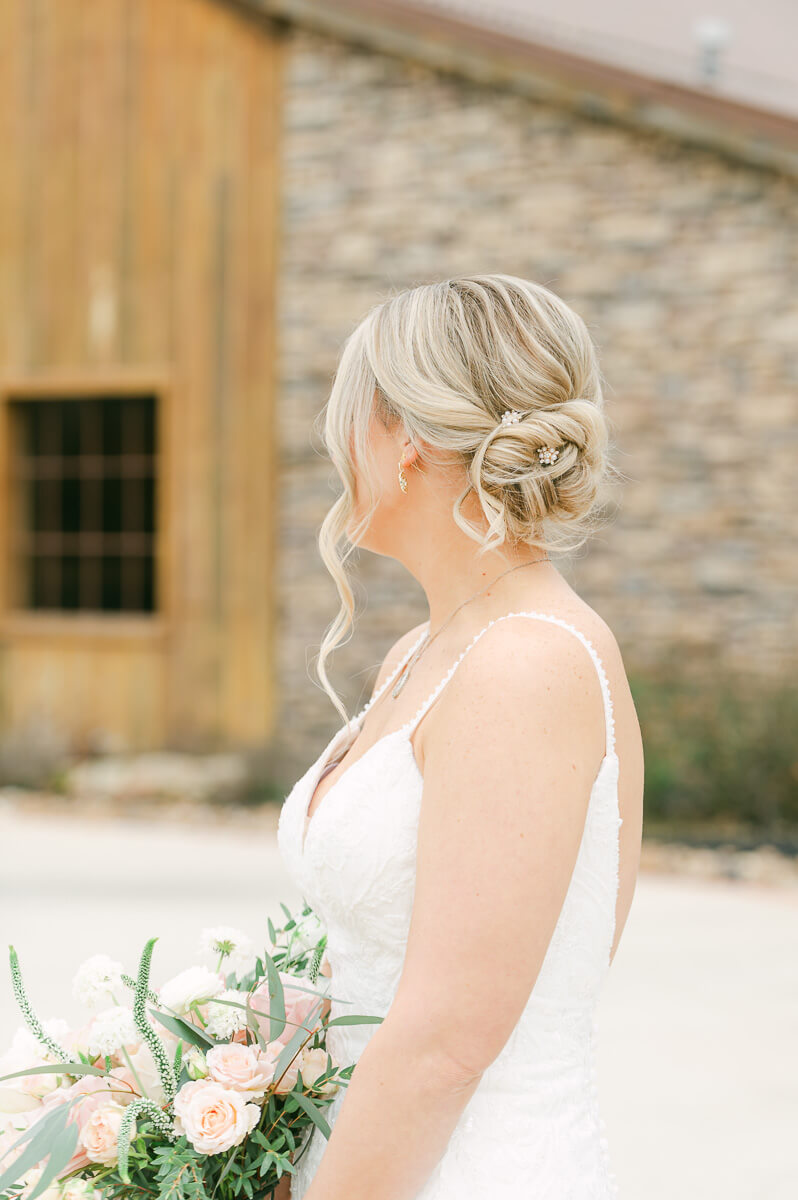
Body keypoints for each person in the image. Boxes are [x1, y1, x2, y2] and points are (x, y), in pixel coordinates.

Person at [276, 273, 644, 1199]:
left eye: (350, 407)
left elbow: (448, 1041)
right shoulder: (425, 650)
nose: (334, 442)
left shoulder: (527, 664)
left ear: (403, 438)